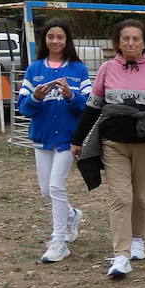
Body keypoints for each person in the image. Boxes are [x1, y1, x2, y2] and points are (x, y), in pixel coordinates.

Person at [70, 20, 145, 280]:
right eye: (125, 39)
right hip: (113, 145)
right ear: (117, 42)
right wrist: (78, 140)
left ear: (144, 43)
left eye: (136, 39)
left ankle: (138, 238)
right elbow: (93, 107)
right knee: (121, 197)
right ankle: (121, 255)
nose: (130, 43)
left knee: (142, 196)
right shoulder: (107, 69)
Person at [17, 18, 92, 264]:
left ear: (67, 40)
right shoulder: (35, 69)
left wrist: (71, 96)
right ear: (45, 40)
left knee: (57, 187)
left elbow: (87, 107)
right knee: (46, 190)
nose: (56, 41)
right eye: (51, 37)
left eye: (60, 37)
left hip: (68, 139)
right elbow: (24, 108)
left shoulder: (78, 70)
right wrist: (36, 98)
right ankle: (71, 214)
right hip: (42, 137)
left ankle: (59, 241)